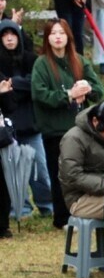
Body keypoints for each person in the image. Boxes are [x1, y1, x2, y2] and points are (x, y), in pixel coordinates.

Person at [31, 18, 102, 228]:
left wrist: (86, 88)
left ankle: (85, 213)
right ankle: (61, 218)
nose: (58, 37)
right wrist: (69, 95)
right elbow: (40, 94)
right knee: (60, 174)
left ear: (68, 36)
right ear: (48, 38)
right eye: (53, 33)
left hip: (81, 129)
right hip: (55, 130)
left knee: (83, 173)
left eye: (61, 32)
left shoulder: (78, 60)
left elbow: (98, 89)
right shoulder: (42, 63)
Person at [0, 17, 54, 217]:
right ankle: (20, 210)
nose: (9, 39)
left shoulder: (32, 59)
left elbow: (36, 84)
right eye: (4, 35)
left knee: (40, 168)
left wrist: (12, 83)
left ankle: (47, 206)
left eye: (13, 34)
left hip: (31, 123)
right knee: (13, 170)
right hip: (8, 126)